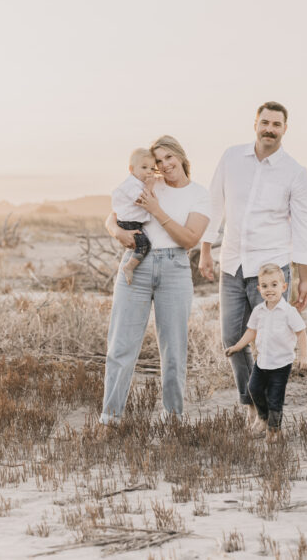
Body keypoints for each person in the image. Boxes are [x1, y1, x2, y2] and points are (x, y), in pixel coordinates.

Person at [198, 101, 307, 424]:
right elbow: (214, 204)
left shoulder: (295, 172)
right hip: (232, 262)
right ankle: (254, 407)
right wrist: (206, 248)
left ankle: (267, 413)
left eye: (277, 124)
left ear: (285, 130)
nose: (270, 129)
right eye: (265, 122)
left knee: (273, 343)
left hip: (271, 271)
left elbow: (303, 229)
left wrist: (304, 279)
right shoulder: (232, 157)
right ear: (255, 123)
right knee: (233, 341)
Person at [100, 135, 211, 425]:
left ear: (181, 156)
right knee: (121, 346)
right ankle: (110, 419)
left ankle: (172, 419)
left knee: (173, 351)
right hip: (136, 266)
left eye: (168, 158)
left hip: (174, 268)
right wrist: (118, 233)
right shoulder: (148, 181)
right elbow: (112, 217)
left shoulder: (199, 194)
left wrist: (156, 210)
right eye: (158, 161)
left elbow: (189, 238)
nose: (163, 165)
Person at [224, 262, 307, 437]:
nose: (269, 289)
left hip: (281, 363)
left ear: (284, 287)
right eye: (264, 286)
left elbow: (301, 333)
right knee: (253, 388)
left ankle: (274, 430)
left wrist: (303, 357)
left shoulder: (288, 312)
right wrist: (237, 347)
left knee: (275, 398)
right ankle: (263, 417)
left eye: (274, 285)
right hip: (262, 362)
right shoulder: (259, 311)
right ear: (259, 289)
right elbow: (251, 331)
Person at [111, 148, 157, 285]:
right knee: (144, 245)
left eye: (152, 168)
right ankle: (129, 266)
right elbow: (142, 200)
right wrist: (149, 187)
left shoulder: (138, 183)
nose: (149, 171)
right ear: (131, 169)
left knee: (141, 244)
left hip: (133, 221)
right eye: (144, 167)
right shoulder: (131, 184)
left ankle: (131, 264)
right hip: (129, 223)